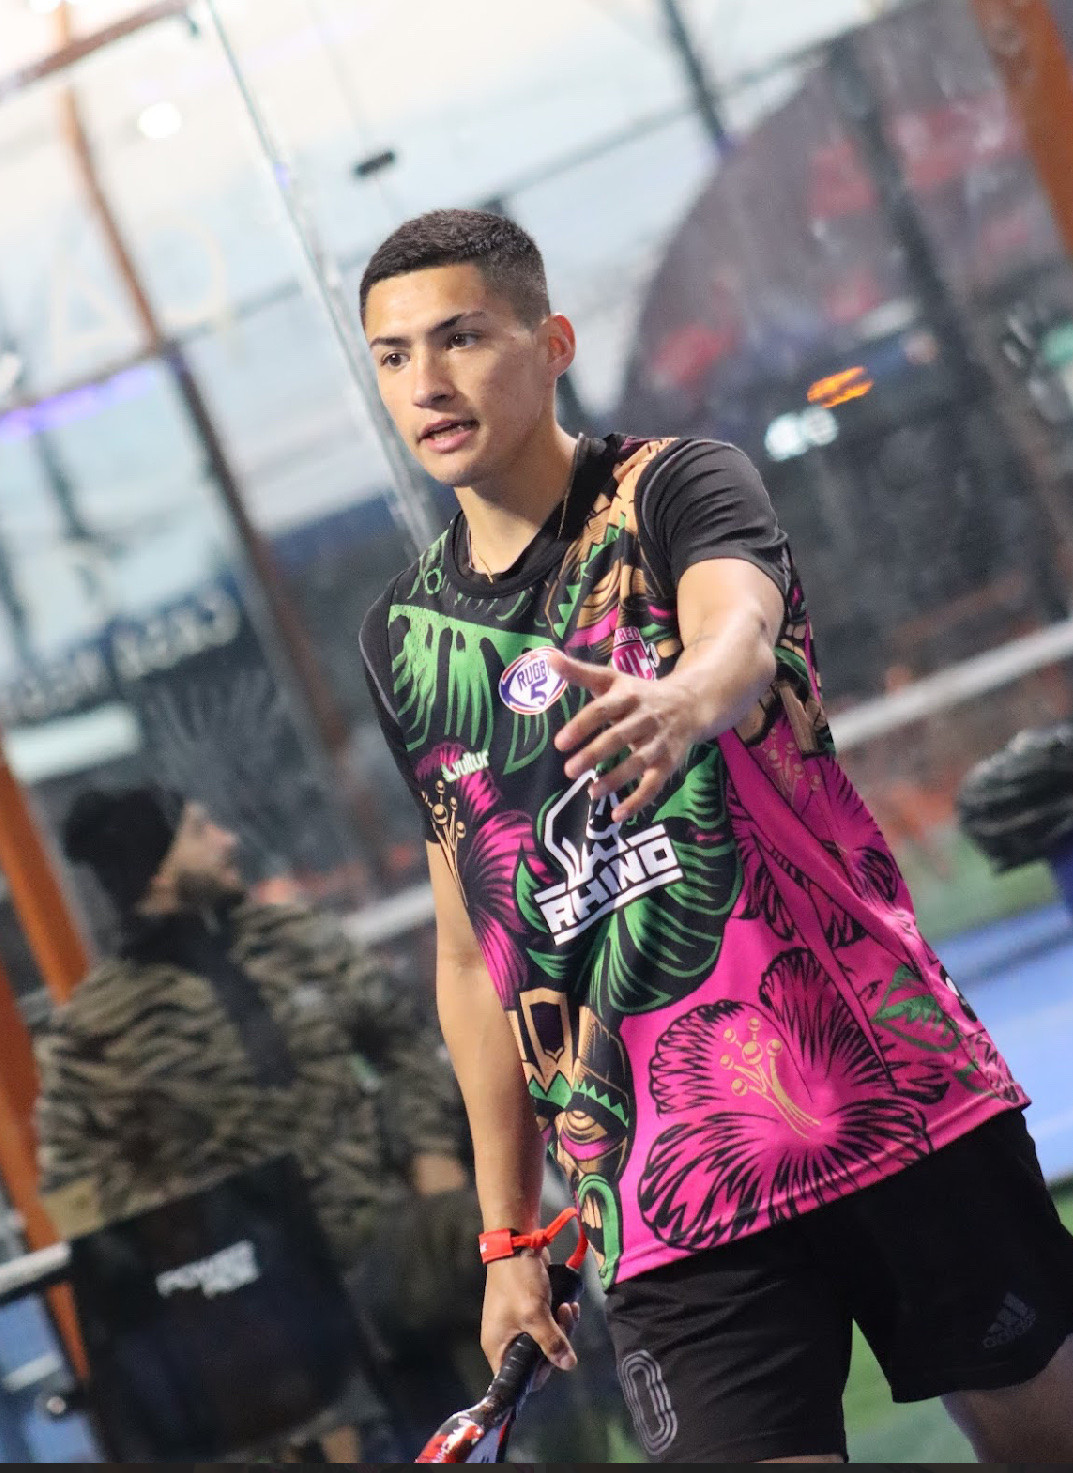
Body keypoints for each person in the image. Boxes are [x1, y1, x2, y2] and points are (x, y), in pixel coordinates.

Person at [357, 208, 1073, 1464]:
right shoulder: (402, 644)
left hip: (891, 1101)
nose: (426, 381)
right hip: (662, 1195)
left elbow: (735, 626)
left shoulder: (677, 486)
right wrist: (507, 1236)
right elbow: (471, 955)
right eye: (393, 354)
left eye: (460, 338)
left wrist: (685, 698)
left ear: (551, 344)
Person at [35, 785, 485, 1460]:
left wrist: (430, 1154)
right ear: (155, 870)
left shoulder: (298, 940)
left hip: (386, 1236)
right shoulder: (99, 1027)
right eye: (198, 830)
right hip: (259, 1310)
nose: (228, 839)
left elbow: (402, 1040)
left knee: (507, 1243)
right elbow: (74, 1188)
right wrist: (187, 1247)